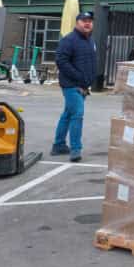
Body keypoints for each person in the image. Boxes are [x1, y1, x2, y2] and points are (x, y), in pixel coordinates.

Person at [53, 11, 97, 162]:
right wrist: (79, 78)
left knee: (68, 114)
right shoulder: (69, 40)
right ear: (77, 22)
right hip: (71, 85)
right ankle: (76, 149)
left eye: (90, 21)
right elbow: (61, 61)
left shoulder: (90, 41)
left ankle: (58, 145)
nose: (87, 23)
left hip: (83, 85)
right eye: (84, 20)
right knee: (77, 114)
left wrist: (88, 80)